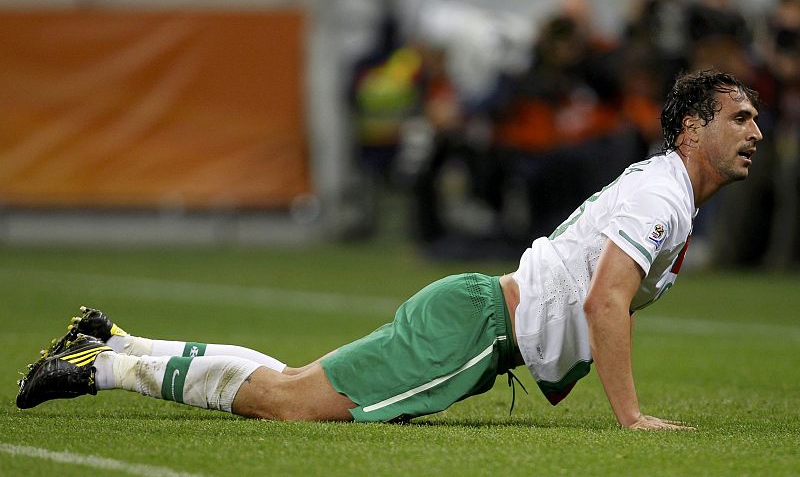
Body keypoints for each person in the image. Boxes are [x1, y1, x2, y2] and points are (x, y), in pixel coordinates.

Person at [17, 69, 762, 430]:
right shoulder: (663, 196)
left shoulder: (664, 190)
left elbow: (598, 295)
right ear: (690, 129)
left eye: (757, 116)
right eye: (739, 116)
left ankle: (111, 341)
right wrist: (631, 417)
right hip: (473, 330)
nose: (756, 130)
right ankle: (105, 368)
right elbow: (606, 298)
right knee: (287, 402)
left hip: (473, 318)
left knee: (287, 380)